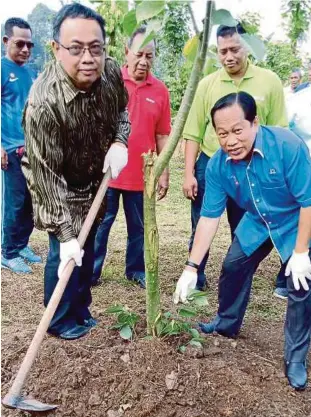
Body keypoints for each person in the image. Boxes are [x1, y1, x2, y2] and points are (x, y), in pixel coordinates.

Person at [174, 92, 311, 391]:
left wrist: (301, 252)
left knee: (301, 284)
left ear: (255, 123)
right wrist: (191, 266)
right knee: (233, 265)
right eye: (222, 134)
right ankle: (226, 324)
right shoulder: (219, 166)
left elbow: (308, 202)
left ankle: (296, 358)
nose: (230, 140)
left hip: (297, 219)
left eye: (237, 130)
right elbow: (209, 218)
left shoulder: (288, 146)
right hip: (258, 221)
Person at [22, 4, 130, 340]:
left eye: (95, 48)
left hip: (95, 180)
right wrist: (65, 233)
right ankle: (58, 320)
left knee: (89, 248)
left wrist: (119, 142)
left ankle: (81, 310)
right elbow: (47, 178)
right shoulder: (44, 103)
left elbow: (122, 111)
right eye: (76, 48)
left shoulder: (110, 73)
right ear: (56, 49)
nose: (88, 58)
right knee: (65, 253)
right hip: (57, 185)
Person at [182, 23, 288, 298]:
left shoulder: (270, 81)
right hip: (212, 165)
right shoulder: (208, 84)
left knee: (244, 228)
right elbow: (193, 130)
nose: (228, 56)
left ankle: (237, 279)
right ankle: (196, 275)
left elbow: (279, 130)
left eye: (234, 49)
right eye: (222, 51)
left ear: (247, 47)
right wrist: (189, 173)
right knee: (202, 221)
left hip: (254, 168)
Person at [92, 26, 171, 288]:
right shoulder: (109, 84)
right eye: (139, 54)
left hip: (142, 175)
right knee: (101, 224)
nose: (143, 61)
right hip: (109, 171)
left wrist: (163, 170)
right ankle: (91, 271)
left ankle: (135, 269)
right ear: (127, 52)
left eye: (149, 56)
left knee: (138, 227)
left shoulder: (160, 90)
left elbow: (162, 134)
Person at [1, 17, 42, 274]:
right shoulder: (2, 69)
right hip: (11, 150)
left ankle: (22, 243)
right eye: (20, 44)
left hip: (32, 149)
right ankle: (8, 252)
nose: (25, 49)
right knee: (14, 202)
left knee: (30, 201)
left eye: (30, 45)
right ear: (6, 42)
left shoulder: (30, 72)